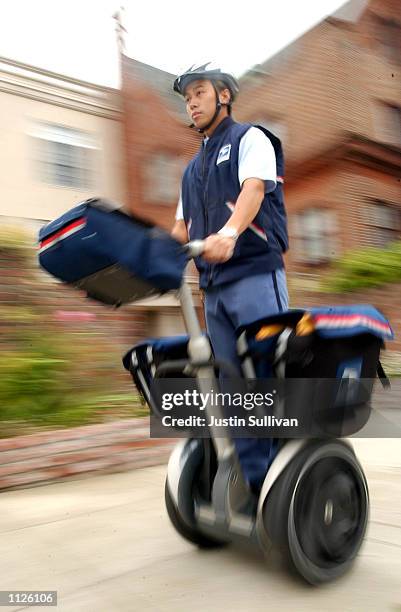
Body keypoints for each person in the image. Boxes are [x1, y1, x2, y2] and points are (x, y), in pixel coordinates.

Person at [171, 63, 289, 492]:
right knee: (231, 387)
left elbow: (253, 190)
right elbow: (181, 230)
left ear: (223, 95)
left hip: (255, 273)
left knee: (267, 373)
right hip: (213, 290)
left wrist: (229, 232)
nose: (193, 102)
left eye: (199, 92)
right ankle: (256, 483)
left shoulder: (250, 139)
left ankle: (288, 474)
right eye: (187, 98)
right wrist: (150, 260)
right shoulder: (190, 171)